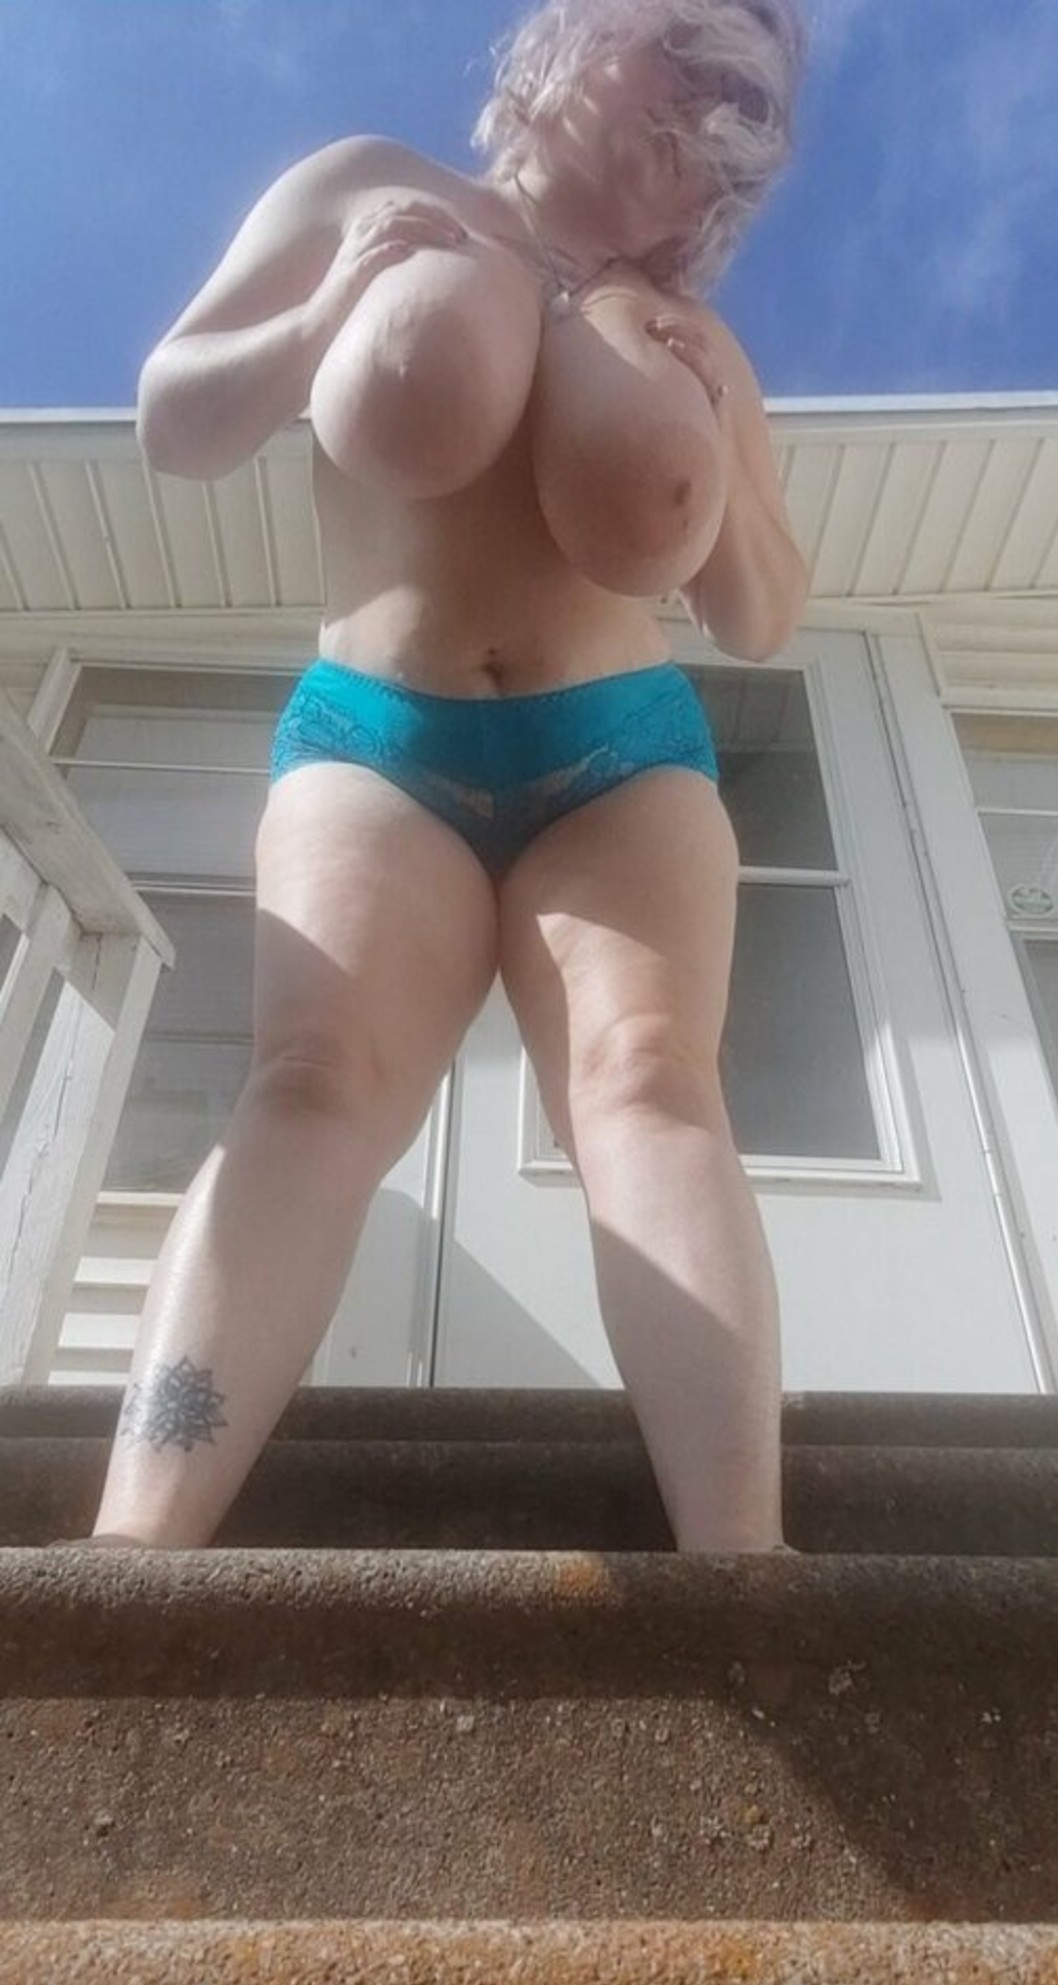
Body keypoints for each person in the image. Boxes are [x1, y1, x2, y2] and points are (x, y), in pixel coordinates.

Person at [73, 0, 810, 1555]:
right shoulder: (368, 186)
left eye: (733, 119)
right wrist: (323, 318)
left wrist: (725, 453)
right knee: (309, 1085)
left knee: (651, 1083)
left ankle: (748, 1575)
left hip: (619, 759)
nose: (695, 117)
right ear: (580, 36)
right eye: (682, 55)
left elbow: (760, 611)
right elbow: (173, 417)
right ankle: (130, 1562)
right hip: (377, 740)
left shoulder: (691, 334)